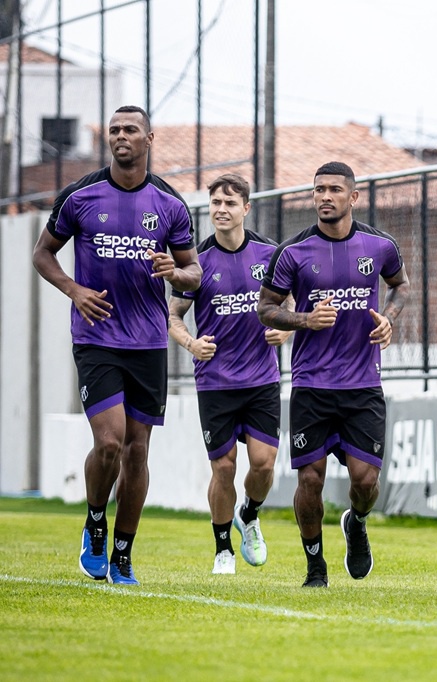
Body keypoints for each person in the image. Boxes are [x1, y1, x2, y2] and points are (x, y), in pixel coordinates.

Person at [32, 105, 201, 585]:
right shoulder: (81, 196)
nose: (120, 137)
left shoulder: (169, 204)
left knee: (137, 452)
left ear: (150, 137)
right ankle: (94, 521)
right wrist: (74, 290)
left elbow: (194, 273)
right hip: (97, 338)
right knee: (108, 443)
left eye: (130, 130)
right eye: (113, 130)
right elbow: (42, 253)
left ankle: (123, 552)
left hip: (148, 342)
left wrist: (175, 272)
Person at [258, 161, 409, 588]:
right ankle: (315, 567)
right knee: (311, 477)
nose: (325, 196)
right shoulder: (293, 252)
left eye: (334, 190)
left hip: (363, 385)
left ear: (353, 197)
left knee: (365, 480)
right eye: (319, 189)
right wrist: (304, 320)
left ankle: (356, 522)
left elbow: (400, 285)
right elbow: (266, 308)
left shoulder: (379, 246)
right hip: (311, 384)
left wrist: (389, 318)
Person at [168, 174, 291, 575]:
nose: (221, 209)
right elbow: (172, 316)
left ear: (246, 208)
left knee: (264, 464)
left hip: (261, 380)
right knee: (224, 468)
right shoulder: (197, 262)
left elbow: (290, 302)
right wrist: (191, 344)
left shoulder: (270, 255)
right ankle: (223, 549)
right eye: (216, 203)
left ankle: (250, 514)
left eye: (229, 203)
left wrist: (286, 328)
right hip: (216, 381)